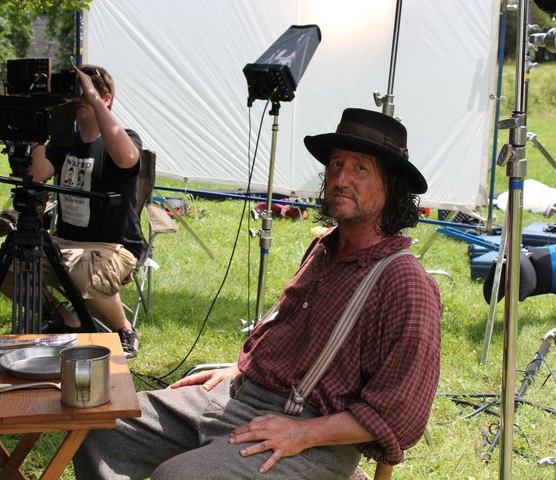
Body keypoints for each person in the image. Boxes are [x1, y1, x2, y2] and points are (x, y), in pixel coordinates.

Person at [72, 108, 441, 479]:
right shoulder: (326, 247)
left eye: (360, 168)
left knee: (179, 476)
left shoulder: (405, 282)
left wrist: (303, 432)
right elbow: (294, 333)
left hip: (314, 436)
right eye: (336, 164)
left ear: (391, 185)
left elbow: (400, 413)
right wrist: (242, 368)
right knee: (101, 428)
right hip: (241, 393)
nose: (341, 178)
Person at [0, 64, 143, 359]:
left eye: (85, 92)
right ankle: (64, 320)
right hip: (63, 244)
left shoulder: (124, 137)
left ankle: (124, 330)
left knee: (83, 278)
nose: (79, 99)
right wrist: (39, 114)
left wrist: (94, 99)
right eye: (74, 94)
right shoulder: (62, 141)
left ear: (106, 97)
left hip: (113, 246)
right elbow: (36, 172)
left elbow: (126, 158)